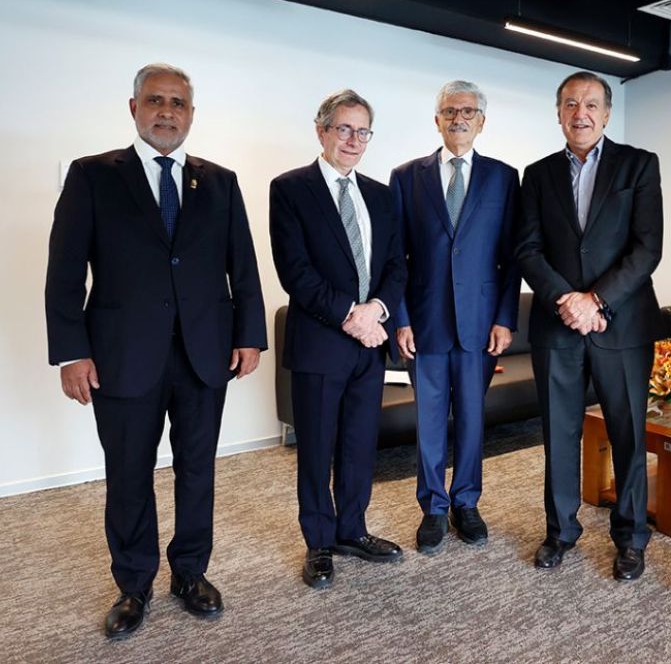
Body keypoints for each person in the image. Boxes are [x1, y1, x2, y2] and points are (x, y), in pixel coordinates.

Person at [45, 63, 267, 639]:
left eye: (178, 103)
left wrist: (249, 335)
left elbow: (242, 265)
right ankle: (134, 583)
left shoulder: (220, 182)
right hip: (120, 356)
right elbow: (64, 273)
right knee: (128, 473)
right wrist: (71, 352)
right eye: (155, 100)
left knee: (197, 469)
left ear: (191, 113)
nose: (167, 111)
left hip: (204, 354)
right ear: (134, 108)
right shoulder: (93, 176)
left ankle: (190, 572)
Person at [516, 71, 665, 578]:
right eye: (570, 104)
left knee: (628, 433)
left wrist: (597, 300)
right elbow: (527, 249)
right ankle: (560, 531)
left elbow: (647, 248)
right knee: (560, 433)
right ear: (559, 112)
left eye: (591, 104)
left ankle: (631, 536)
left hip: (621, 324)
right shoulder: (537, 175)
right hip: (557, 324)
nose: (581, 113)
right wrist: (567, 301)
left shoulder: (639, 165)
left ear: (606, 113)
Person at [270, 89, 407, 590]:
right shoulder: (290, 189)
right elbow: (295, 271)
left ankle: (352, 529)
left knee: (357, 444)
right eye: (343, 129)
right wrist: (351, 314)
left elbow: (396, 265)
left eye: (362, 131)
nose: (353, 139)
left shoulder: (381, 195)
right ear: (321, 130)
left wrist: (377, 311)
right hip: (321, 342)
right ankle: (319, 542)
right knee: (316, 448)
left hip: (369, 344)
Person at [389, 81, 521, 554]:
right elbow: (395, 257)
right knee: (429, 422)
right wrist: (400, 318)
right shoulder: (406, 177)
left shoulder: (504, 178)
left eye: (467, 111)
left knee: (470, 419)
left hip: (480, 325)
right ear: (437, 120)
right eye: (449, 111)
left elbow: (512, 256)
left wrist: (505, 318)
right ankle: (433, 507)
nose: (458, 118)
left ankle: (466, 501)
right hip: (424, 323)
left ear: (481, 121)